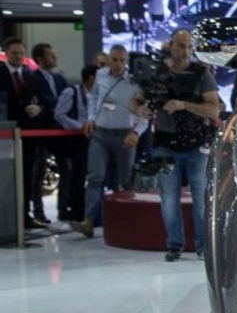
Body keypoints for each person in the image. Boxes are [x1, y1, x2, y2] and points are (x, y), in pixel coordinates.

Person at [133, 28, 220, 261]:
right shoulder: (157, 72)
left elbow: (214, 110)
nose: (186, 51)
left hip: (196, 145)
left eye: (190, 46)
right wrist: (140, 109)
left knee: (200, 199)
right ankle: (174, 244)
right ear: (171, 45)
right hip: (165, 143)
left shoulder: (201, 74)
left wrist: (183, 105)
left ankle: (203, 247)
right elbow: (137, 99)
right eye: (181, 46)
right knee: (169, 198)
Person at [70, 45, 144, 239]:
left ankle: (130, 222)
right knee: (95, 177)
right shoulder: (101, 75)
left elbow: (145, 111)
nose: (118, 64)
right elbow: (95, 98)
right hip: (101, 133)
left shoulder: (135, 80)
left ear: (126, 61)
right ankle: (89, 221)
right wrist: (91, 118)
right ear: (108, 60)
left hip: (124, 134)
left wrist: (136, 132)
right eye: (115, 60)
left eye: (122, 60)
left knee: (125, 180)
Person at [1, 37, 51, 228]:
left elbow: (45, 101)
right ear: (6, 53)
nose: (19, 56)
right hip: (5, 133)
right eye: (15, 53)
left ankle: (24, 216)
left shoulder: (31, 76)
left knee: (27, 175)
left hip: (28, 134)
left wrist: (39, 108)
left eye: (21, 53)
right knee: (6, 176)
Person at [54, 65, 98, 221]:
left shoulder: (98, 95)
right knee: (77, 175)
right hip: (77, 139)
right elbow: (59, 114)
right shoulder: (72, 91)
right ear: (91, 78)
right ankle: (75, 210)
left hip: (95, 138)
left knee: (91, 175)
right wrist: (79, 127)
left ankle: (88, 210)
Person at [30, 43, 68, 224]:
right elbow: (42, 101)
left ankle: (64, 209)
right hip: (42, 131)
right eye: (50, 55)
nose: (54, 57)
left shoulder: (59, 79)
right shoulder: (32, 78)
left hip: (61, 130)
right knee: (38, 171)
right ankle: (38, 212)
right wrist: (53, 106)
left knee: (66, 169)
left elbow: (67, 99)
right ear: (40, 59)